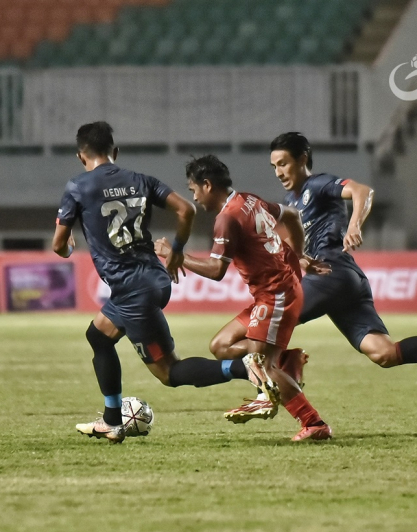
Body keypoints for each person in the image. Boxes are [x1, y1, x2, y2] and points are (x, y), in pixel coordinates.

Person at [211, 132, 417, 403]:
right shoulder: (291, 201)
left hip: (330, 275)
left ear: (302, 159)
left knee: (241, 341)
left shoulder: (318, 184)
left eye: (284, 164)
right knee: (384, 352)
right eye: (274, 166)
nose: (278, 172)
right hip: (344, 282)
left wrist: (354, 225)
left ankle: (284, 380)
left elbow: (362, 191)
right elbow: (290, 245)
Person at [53, 123, 275, 444]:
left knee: (169, 373)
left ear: (80, 155)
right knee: (98, 336)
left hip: (132, 290)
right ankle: (112, 420)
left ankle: (245, 368)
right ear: (115, 152)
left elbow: (59, 244)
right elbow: (185, 209)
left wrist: (67, 248)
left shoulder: (78, 186)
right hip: (153, 279)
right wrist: (177, 250)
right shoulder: (141, 180)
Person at [155, 154, 332, 441]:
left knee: (262, 365)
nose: (195, 197)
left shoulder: (227, 217)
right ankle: (286, 360)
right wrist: (297, 255)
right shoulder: (249, 200)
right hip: (273, 293)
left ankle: (314, 423)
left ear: (207, 185)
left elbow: (216, 271)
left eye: (194, 190)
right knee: (221, 346)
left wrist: (176, 255)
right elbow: (292, 215)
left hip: (277, 295)